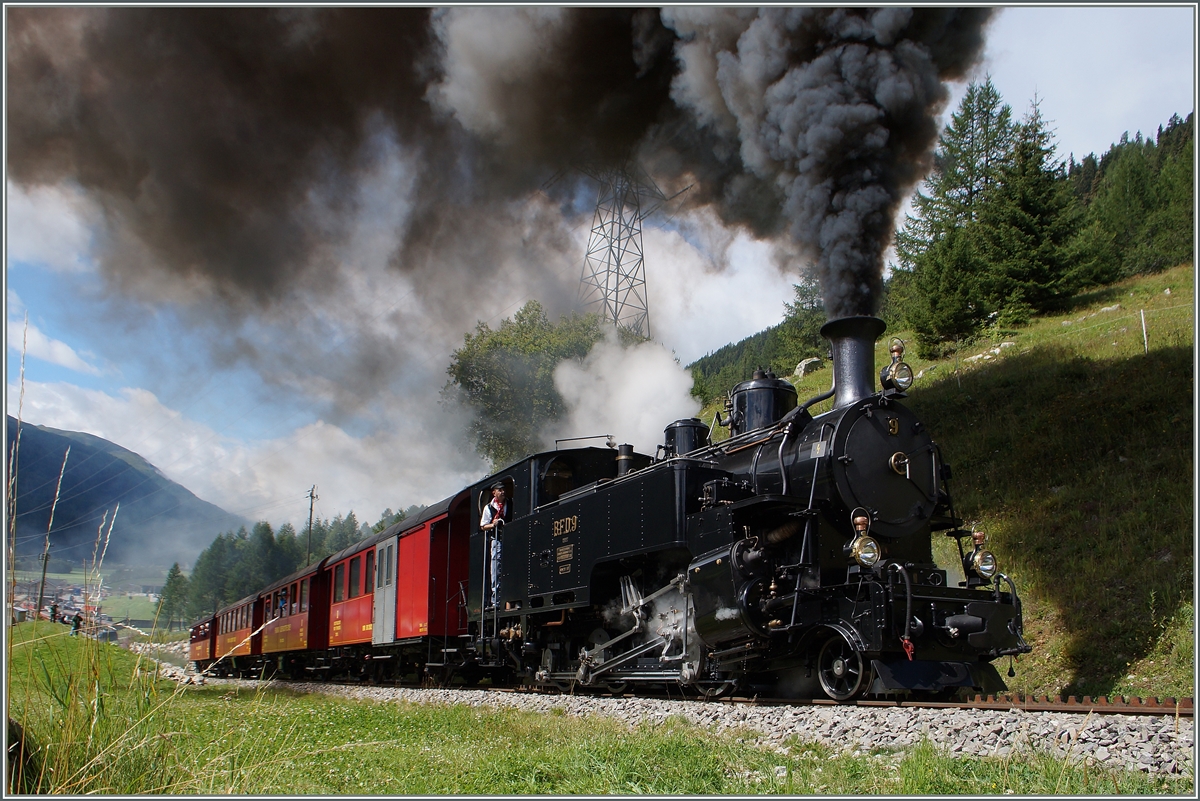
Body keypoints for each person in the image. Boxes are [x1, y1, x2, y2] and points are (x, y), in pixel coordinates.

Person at [480, 482, 508, 608]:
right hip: (496, 539)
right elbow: (483, 526)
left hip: (510, 537)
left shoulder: (510, 503)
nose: (502, 492)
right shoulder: (488, 508)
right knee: (496, 567)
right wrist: (494, 524)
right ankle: (495, 599)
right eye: (500, 490)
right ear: (494, 493)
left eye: (503, 489)